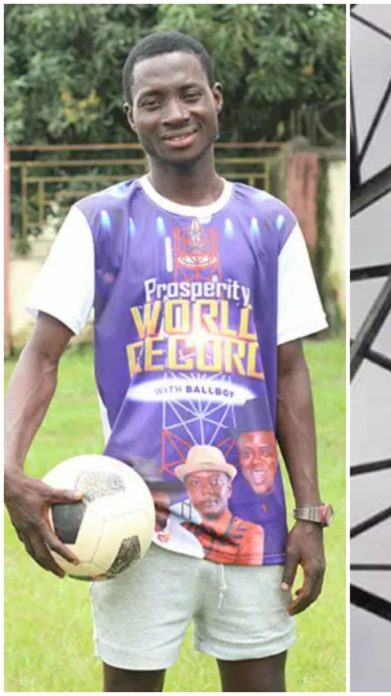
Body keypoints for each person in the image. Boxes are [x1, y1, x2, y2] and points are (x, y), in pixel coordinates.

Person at [4, 30, 333, 692]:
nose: (174, 114)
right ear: (131, 117)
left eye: (188, 95)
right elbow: (41, 357)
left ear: (215, 100)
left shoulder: (270, 225)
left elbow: (290, 372)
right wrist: (6, 469)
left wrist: (309, 513)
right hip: (130, 522)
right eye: (152, 101)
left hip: (254, 523)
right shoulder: (98, 222)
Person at [175, 445, 264, 565]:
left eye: (215, 481)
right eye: (195, 483)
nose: (206, 490)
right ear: (187, 492)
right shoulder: (182, 531)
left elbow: (246, 580)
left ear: (229, 490)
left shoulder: (250, 533)